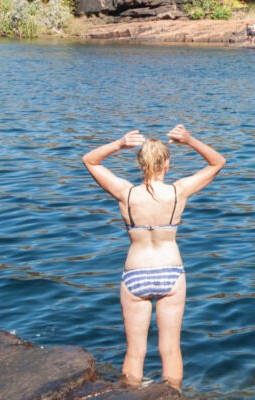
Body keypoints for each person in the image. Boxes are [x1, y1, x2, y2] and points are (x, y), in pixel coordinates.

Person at [82, 126, 226, 390]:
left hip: (135, 274)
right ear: (167, 163)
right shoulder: (177, 192)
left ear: (140, 163)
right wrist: (189, 140)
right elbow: (218, 162)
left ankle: (130, 395)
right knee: (170, 348)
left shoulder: (125, 193)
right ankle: (173, 395)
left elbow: (89, 160)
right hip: (170, 274)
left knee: (135, 352)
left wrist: (119, 143)